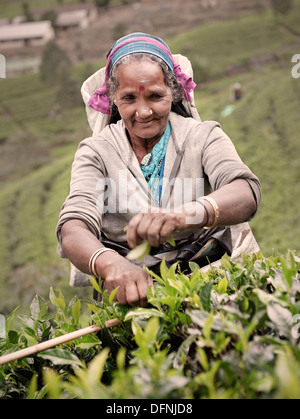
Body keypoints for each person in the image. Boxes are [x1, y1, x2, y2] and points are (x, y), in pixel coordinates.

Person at [56, 33, 261, 307]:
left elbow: (246, 192)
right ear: (113, 99)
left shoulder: (202, 136)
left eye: (155, 96)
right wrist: (109, 263)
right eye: (129, 98)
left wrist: (184, 215)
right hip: (133, 296)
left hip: (212, 286)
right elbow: (73, 226)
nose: (143, 112)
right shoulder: (97, 152)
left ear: (173, 93)